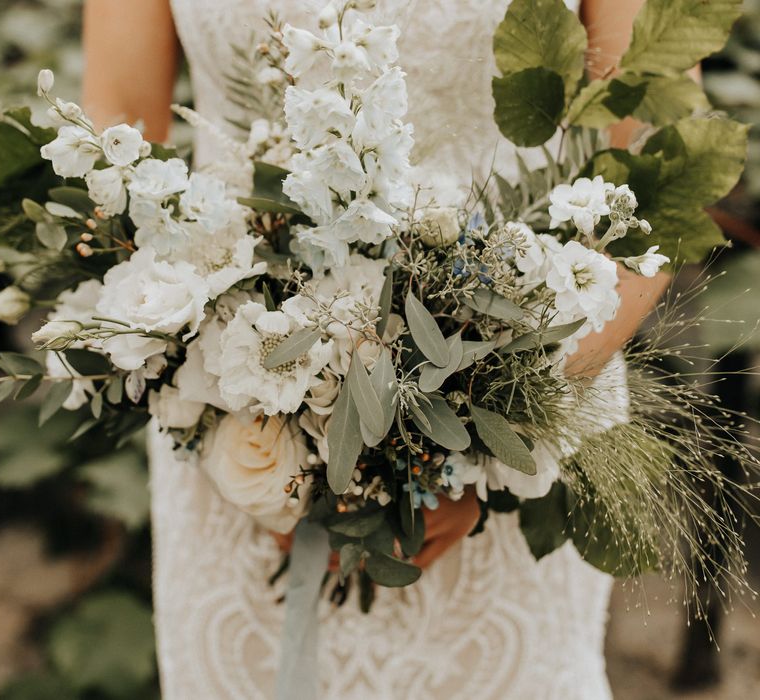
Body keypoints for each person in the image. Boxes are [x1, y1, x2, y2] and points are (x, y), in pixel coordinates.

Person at [83, 1, 670, 697]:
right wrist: (254, 435)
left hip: (522, 404)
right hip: (236, 424)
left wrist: (484, 439)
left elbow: (654, 172)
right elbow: (120, 129)